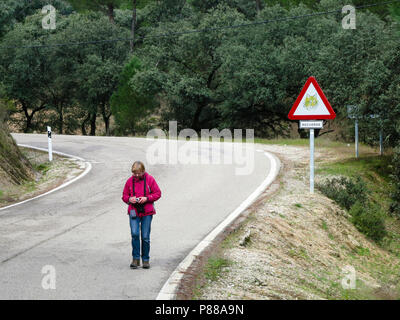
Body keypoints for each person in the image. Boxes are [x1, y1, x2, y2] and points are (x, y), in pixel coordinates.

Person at [122, 161, 161, 269]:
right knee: (134, 234)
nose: (137, 175)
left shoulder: (150, 179)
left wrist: (147, 198)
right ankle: (135, 259)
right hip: (134, 211)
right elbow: (124, 196)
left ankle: (145, 260)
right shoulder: (129, 181)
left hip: (147, 212)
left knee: (145, 236)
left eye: (139, 173)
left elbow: (158, 193)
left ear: (143, 171)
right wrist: (130, 199)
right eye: (135, 173)